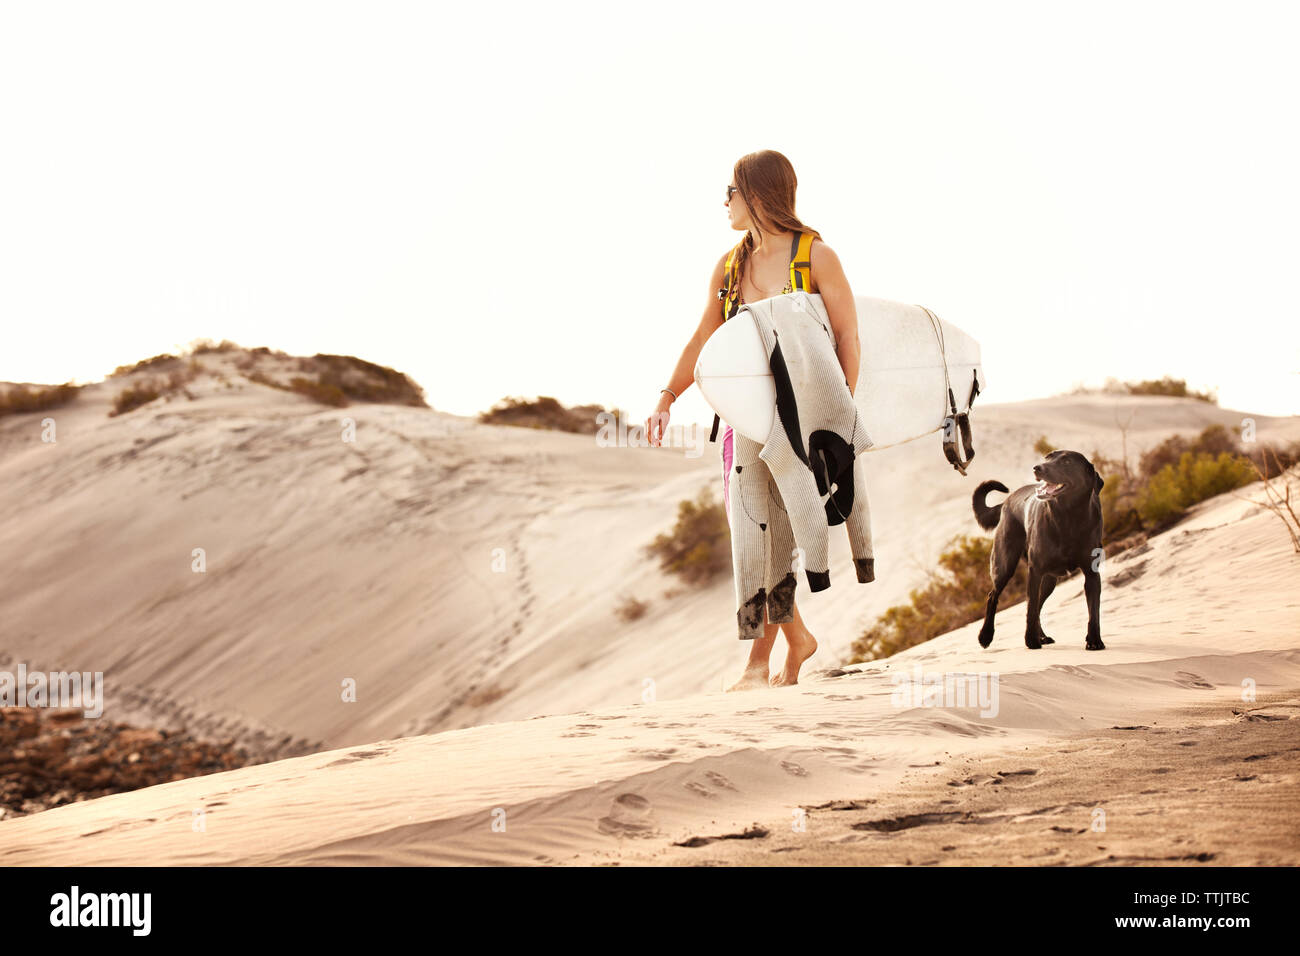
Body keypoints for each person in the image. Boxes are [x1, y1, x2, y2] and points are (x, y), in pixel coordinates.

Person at [645, 149, 862, 689]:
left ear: (759, 195)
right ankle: (792, 643)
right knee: (753, 534)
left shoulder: (817, 258)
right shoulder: (730, 266)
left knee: (779, 535)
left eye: (732, 192)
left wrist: (835, 421)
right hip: (743, 428)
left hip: (800, 427)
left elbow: (848, 339)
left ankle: (759, 663)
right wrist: (668, 396)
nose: (725, 202)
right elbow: (704, 338)